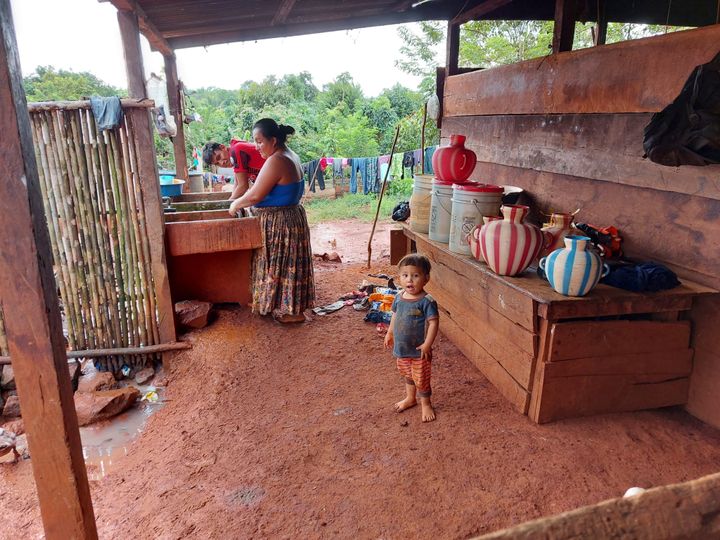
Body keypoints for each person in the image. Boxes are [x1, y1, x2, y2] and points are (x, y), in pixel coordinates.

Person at [226, 118, 315, 323]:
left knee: (279, 266)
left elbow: (255, 195)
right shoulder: (289, 155)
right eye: (255, 142)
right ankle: (288, 308)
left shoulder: (277, 160)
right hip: (289, 218)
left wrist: (234, 204)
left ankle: (293, 313)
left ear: (273, 140)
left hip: (280, 221)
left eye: (259, 141)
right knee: (286, 265)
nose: (256, 147)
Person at [384, 254, 439, 422]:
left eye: (415, 275)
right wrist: (390, 333)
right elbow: (394, 316)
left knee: (421, 378)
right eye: (405, 275)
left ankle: (426, 404)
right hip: (402, 348)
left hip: (419, 350)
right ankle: (410, 398)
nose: (410, 280)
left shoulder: (427, 301)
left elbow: (434, 323)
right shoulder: (399, 297)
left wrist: (427, 344)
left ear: (426, 278)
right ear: (399, 277)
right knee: (408, 375)